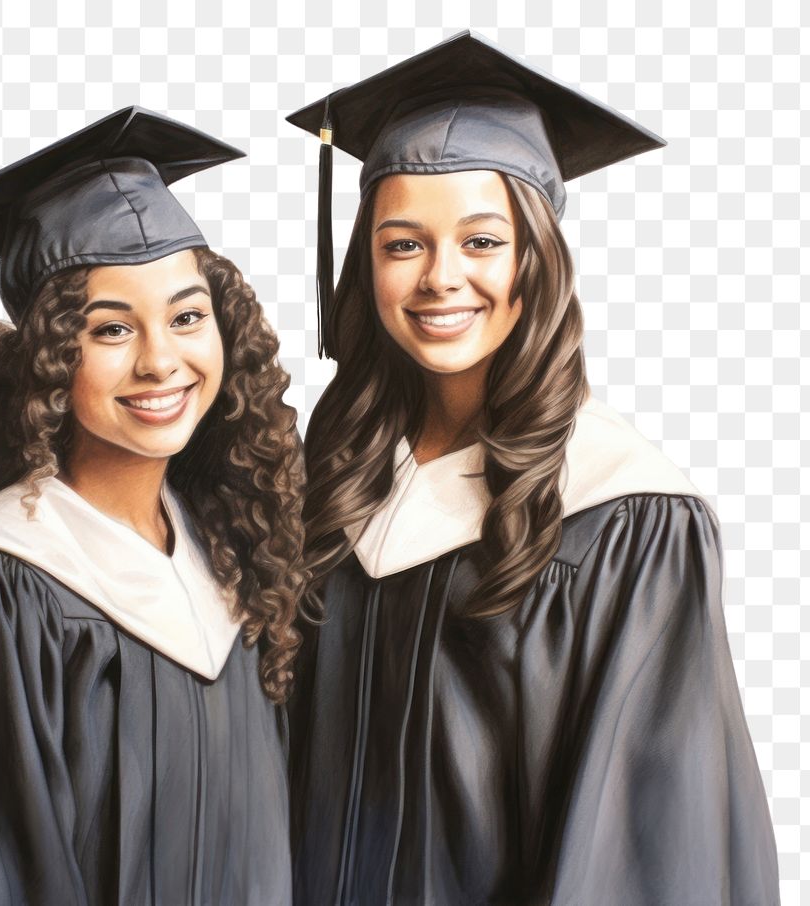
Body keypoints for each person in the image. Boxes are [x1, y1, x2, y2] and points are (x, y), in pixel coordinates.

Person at [286, 31, 779, 906]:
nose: (442, 278)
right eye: (404, 244)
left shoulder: (624, 517)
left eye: (481, 241)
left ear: (533, 259)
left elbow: (647, 843)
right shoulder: (333, 485)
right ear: (367, 262)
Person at [0, 107, 304, 905]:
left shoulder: (230, 561)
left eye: (187, 317)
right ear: (51, 357)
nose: (162, 360)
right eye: (110, 329)